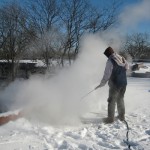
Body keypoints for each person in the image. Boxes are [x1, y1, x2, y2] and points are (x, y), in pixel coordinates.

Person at [95, 47, 139, 124]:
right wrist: (135, 67)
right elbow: (128, 68)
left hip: (115, 84)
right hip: (123, 83)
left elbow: (107, 74)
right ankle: (121, 116)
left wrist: (102, 83)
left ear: (108, 54)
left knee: (111, 100)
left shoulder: (110, 61)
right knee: (120, 99)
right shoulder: (122, 58)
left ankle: (110, 118)